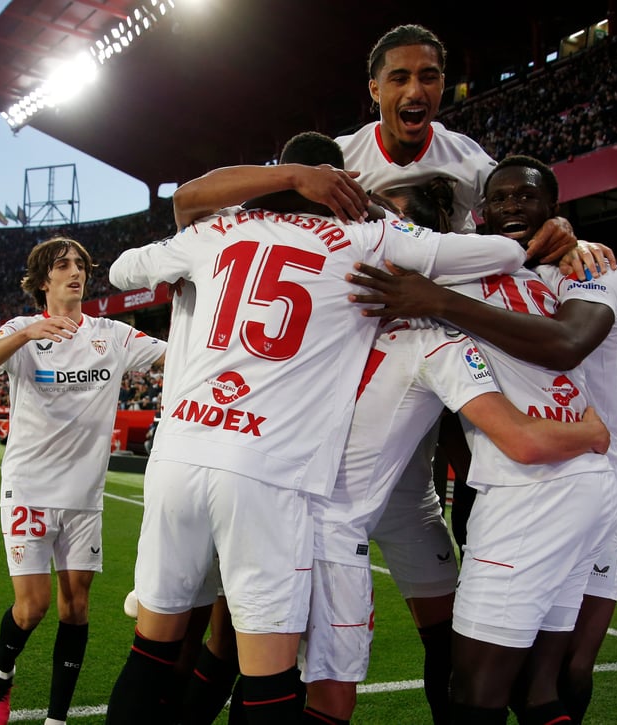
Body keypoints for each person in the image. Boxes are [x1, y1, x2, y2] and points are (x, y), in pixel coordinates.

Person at [105, 131, 536, 725]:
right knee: (267, 668)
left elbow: (124, 268)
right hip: (267, 470)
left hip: (178, 452)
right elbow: (505, 256)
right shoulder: (369, 239)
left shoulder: (214, 231)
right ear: (346, 185)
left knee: (155, 646)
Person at [348, 156, 617, 725]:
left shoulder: (579, 267)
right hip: (570, 478)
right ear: (478, 217)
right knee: (535, 688)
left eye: (527, 198)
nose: (513, 207)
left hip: (542, 484)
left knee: (480, 688)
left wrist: (434, 300)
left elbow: (566, 345)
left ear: (555, 212)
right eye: (500, 199)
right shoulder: (478, 274)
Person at [0, 236, 167, 725]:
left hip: (84, 495)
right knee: (31, 608)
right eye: (63, 265)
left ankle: (56, 718)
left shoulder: (113, 336)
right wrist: (27, 334)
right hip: (29, 486)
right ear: (44, 281)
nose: (75, 271)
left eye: (80, 264)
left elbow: (176, 355)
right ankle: (2, 671)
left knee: (76, 608)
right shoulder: (21, 330)